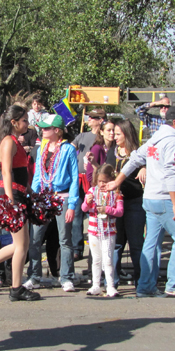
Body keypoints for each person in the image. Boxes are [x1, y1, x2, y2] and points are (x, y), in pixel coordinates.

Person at [103, 106, 175, 298]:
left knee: (151, 243)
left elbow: (135, 158)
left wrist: (117, 181)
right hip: (164, 197)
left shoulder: (154, 139)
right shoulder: (172, 142)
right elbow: (171, 172)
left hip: (149, 198)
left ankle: (145, 286)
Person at [0, 105, 41, 301]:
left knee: (22, 244)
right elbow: (6, 172)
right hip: (12, 195)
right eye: (24, 120)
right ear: (14, 122)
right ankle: (16, 288)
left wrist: (30, 191)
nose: (27, 123)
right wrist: (10, 200)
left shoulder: (15, 142)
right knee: (21, 245)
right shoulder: (8, 142)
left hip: (19, 193)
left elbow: (20, 173)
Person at [25, 114, 79, 292]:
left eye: (46, 128)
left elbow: (74, 180)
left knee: (65, 239)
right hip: (43, 198)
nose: (43, 130)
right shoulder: (42, 148)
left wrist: (71, 205)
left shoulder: (68, 149)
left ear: (57, 130)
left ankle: (66, 277)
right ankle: (34, 276)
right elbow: (38, 176)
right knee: (35, 239)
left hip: (61, 197)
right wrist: (33, 198)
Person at [105, 119, 145, 288]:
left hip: (134, 202)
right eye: (113, 132)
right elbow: (106, 172)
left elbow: (152, 165)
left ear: (127, 135)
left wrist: (145, 167)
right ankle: (112, 282)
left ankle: (141, 282)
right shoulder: (112, 151)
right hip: (115, 203)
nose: (114, 136)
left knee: (136, 244)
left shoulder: (139, 153)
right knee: (116, 244)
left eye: (118, 133)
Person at [82, 164, 123, 297]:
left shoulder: (116, 193)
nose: (101, 184)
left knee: (108, 259)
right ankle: (95, 285)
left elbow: (120, 212)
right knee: (96, 259)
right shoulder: (92, 191)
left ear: (112, 180)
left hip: (109, 231)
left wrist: (107, 210)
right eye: (99, 181)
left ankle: (110, 286)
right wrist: (88, 202)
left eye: (105, 182)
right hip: (94, 230)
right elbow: (84, 209)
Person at [72, 107, 106, 261]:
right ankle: (77, 249)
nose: (88, 119)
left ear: (100, 120)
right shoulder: (82, 136)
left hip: (96, 180)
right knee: (77, 214)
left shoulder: (104, 138)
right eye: (88, 116)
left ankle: (97, 250)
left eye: (92, 117)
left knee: (97, 213)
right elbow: (70, 149)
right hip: (79, 179)